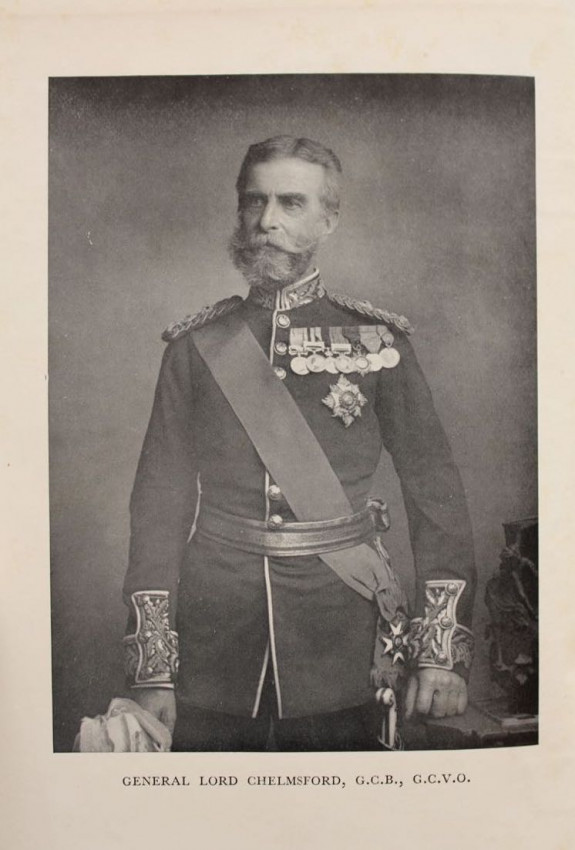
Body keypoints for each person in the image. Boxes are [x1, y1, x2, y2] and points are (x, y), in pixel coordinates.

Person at [122, 135, 476, 751]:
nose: (268, 221)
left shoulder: (378, 343)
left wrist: (440, 653)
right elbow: (158, 510)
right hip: (214, 644)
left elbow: (435, 495)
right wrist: (153, 669)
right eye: (254, 201)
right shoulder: (194, 348)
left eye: (291, 203)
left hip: (341, 639)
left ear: (328, 220)